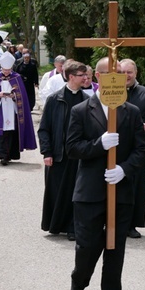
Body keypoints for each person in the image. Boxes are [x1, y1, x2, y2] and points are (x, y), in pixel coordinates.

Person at [66, 57, 145, 290]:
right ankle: (78, 285)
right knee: (88, 247)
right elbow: (72, 148)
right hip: (90, 193)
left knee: (115, 249)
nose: (117, 80)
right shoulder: (81, 110)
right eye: (110, 75)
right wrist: (98, 145)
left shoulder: (131, 111)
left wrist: (124, 168)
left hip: (120, 192)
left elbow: (142, 150)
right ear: (100, 79)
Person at [38, 60, 88, 241]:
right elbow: (44, 129)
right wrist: (47, 152)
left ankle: (73, 227)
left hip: (78, 155)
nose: (85, 78)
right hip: (58, 155)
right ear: (71, 76)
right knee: (58, 192)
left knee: (76, 191)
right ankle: (56, 224)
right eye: (82, 75)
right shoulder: (54, 99)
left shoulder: (86, 100)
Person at [119, 58, 145, 238]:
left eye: (129, 72)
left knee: (136, 187)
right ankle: (112, 223)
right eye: (122, 72)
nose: (126, 76)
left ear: (136, 73)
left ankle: (131, 225)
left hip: (137, 147)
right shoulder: (111, 92)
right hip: (116, 146)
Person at [0, 51, 37, 165]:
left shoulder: (17, 78)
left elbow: (22, 96)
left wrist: (14, 96)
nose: (6, 72)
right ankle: (2, 155)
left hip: (12, 109)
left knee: (11, 132)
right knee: (0, 132)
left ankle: (10, 154)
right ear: (1, 67)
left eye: (8, 70)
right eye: (5, 70)